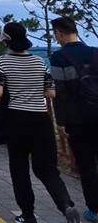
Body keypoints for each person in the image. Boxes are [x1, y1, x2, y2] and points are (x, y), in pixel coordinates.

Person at [0, 22, 80, 223]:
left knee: (19, 169)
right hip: (41, 119)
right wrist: (32, 91)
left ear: (6, 40)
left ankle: (28, 214)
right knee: (47, 169)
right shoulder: (39, 62)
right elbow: (51, 92)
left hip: (15, 119)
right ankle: (65, 204)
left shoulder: (1, 62)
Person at [50, 16, 98, 222]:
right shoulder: (95, 52)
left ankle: (94, 210)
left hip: (77, 120)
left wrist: (60, 123)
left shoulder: (58, 58)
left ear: (59, 33)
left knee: (86, 165)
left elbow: (59, 93)